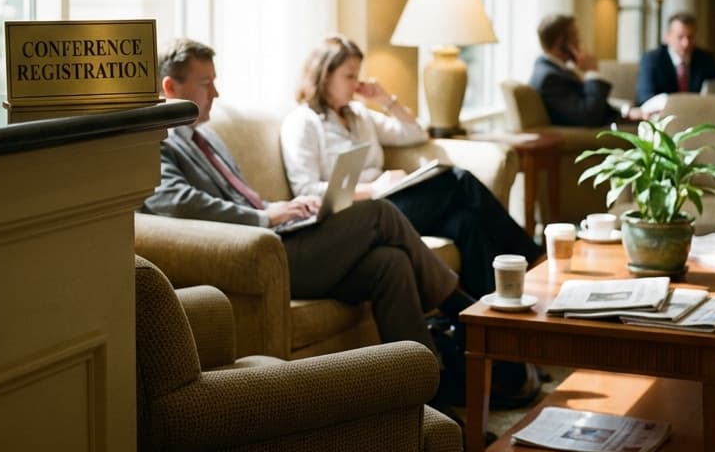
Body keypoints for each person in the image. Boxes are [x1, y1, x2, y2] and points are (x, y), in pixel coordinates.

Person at [142, 38, 474, 358]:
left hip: (278, 236)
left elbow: (242, 196)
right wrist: (266, 218)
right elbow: (176, 202)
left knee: (391, 263)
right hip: (259, 254)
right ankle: (462, 311)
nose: (216, 93)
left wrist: (280, 208)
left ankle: (424, 383)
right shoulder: (156, 142)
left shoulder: (207, 136)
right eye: (206, 83)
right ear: (170, 88)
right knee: (378, 213)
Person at [279, 34, 543, 301]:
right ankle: (533, 257)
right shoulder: (303, 122)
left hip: (391, 198)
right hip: (360, 216)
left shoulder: (359, 115)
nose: (356, 83)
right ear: (325, 75)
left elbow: (414, 134)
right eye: (349, 76)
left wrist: (384, 99)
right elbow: (306, 189)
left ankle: (488, 316)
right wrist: (373, 189)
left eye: (358, 75)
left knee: (467, 223)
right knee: (456, 179)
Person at [530, 14, 642, 127]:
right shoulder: (549, 78)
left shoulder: (557, 70)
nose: (579, 42)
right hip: (599, 134)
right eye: (575, 36)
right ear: (560, 42)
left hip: (617, 121)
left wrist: (625, 111)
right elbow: (589, 117)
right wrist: (592, 72)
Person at [635, 12, 715, 106]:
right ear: (668, 37)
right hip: (665, 114)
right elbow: (645, 97)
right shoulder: (651, 60)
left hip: (699, 113)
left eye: (690, 37)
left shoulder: (706, 59)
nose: (686, 43)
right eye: (680, 37)